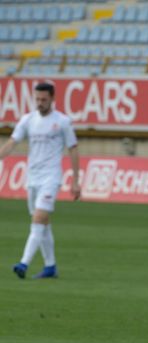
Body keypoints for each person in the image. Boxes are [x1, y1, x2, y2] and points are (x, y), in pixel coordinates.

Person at [2, 82, 81, 280]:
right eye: (37, 99)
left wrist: (76, 181)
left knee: (38, 219)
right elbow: (12, 142)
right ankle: (50, 266)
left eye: (44, 99)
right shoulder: (28, 120)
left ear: (52, 99)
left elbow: (73, 148)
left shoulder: (62, 121)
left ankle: (23, 263)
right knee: (42, 223)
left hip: (51, 177)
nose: (40, 103)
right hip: (33, 178)